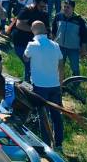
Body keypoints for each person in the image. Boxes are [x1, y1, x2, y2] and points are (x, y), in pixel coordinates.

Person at [24, 21, 64, 150]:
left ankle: (46, 145)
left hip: (40, 85)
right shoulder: (55, 45)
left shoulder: (32, 45)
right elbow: (61, 63)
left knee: (43, 116)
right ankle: (58, 144)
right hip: (54, 84)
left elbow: (25, 58)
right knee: (56, 115)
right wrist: (60, 81)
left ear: (33, 30)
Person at [8, 0, 49, 83]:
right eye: (41, 6)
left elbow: (46, 28)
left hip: (35, 44)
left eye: (45, 6)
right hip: (20, 42)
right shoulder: (27, 10)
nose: (43, 8)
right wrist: (35, 30)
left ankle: (29, 83)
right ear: (35, 4)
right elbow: (19, 24)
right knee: (29, 64)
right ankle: (27, 84)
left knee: (32, 64)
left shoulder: (44, 13)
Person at [52, 0, 87, 76]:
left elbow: (83, 36)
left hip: (73, 48)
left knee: (75, 67)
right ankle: (60, 83)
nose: (65, 9)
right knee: (59, 66)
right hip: (60, 47)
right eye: (64, 6)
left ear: (73, 8)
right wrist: (52, 43)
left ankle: (76, 83)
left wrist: (83, 49)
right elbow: (54, 31)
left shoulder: (79, 20)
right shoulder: (58, 16)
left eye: (68, 7)